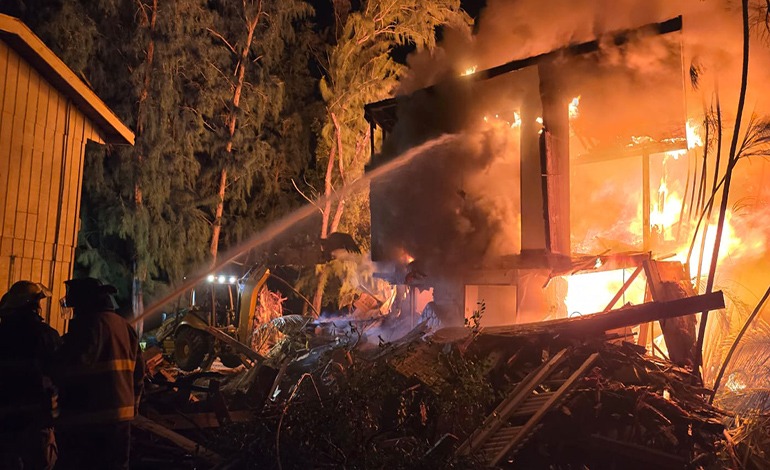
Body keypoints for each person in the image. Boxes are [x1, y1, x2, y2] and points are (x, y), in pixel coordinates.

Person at [54, 277, 145, 470]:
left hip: (89, 419)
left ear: (84, 302)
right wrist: (133, 407)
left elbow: (65, 366)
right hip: (121, 419)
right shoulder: (125, 327)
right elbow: (138, 374)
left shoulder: (88, 326)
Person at [0, 281, 61, 470]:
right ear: (33, 306)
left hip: (5, 424)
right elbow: (61, 374)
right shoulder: (46, 336)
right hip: (37, 422)